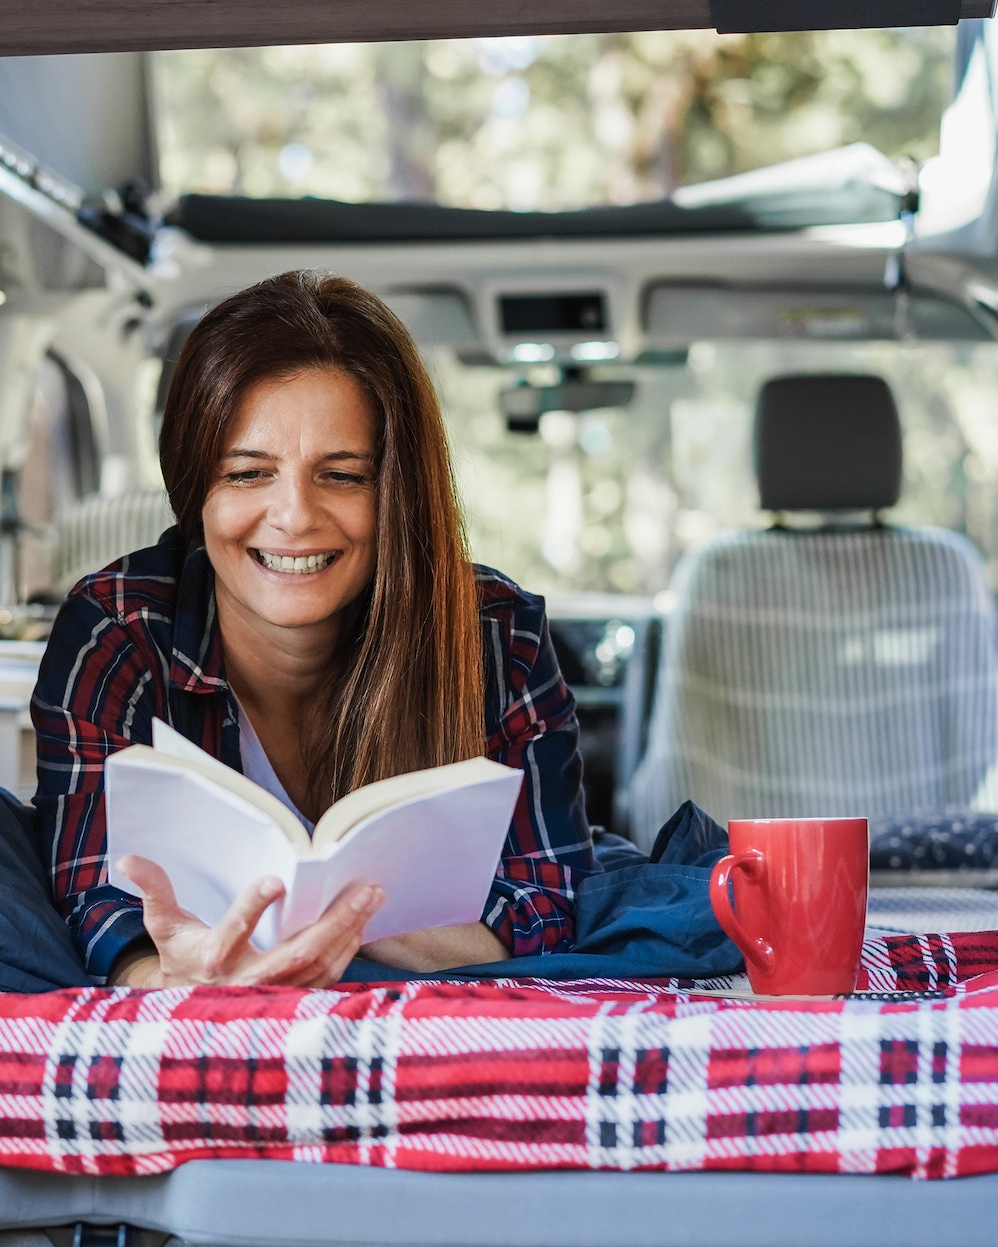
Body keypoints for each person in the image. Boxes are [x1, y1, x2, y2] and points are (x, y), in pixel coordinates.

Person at [30, 270, 594, 988]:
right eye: (246, 474)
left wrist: (339, 923)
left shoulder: (495, 635)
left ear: (397, 493)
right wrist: (177, 974)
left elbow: (549, 901)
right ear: (194, 486)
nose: (294, 516)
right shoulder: (116, 632)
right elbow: (93, 897)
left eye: (343, 476)